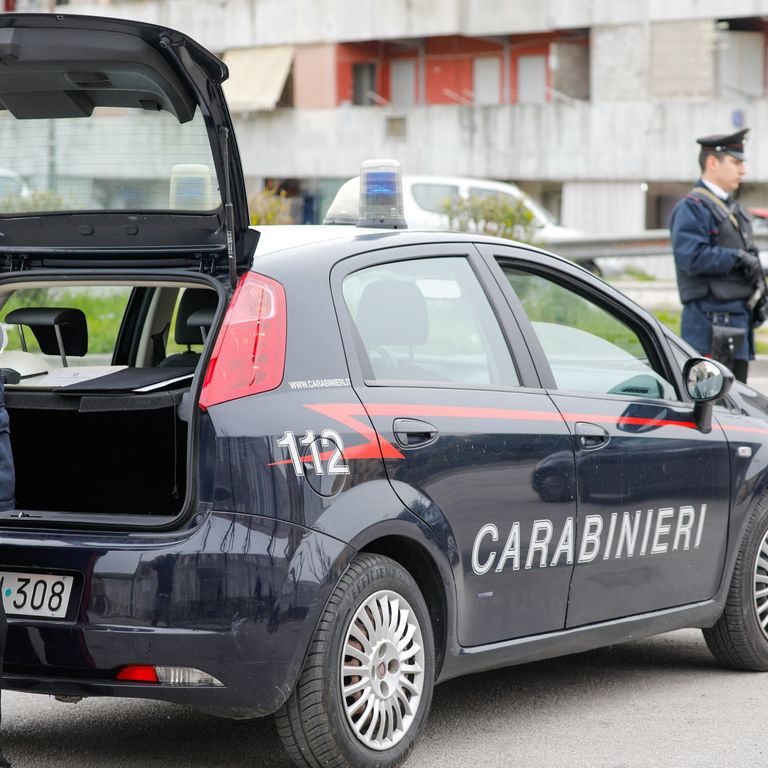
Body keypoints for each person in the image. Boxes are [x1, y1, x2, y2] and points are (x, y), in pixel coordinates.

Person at [669, 128, 765, 383]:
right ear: (713, 162)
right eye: (735, 162)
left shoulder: (734, 209)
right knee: (712, 408)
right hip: (710, 328)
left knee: (737, 410)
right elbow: (691, 257)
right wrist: (737, 258)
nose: (742, 170)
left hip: (736, 326)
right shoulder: (692, 208)